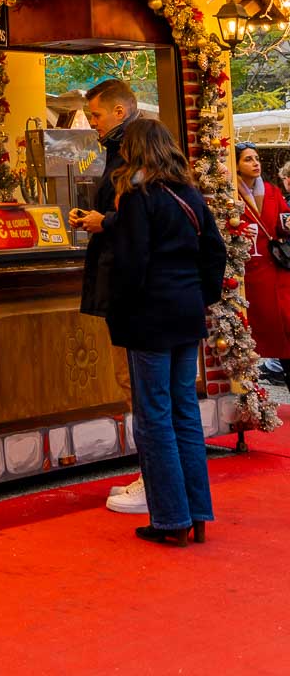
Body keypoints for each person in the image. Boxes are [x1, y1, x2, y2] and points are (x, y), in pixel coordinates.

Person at [103, 117, 226, 545]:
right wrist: (200, 295)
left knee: (153, 416)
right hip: (186, 313)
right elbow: (215, 251)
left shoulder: (139, 196)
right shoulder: (189, 193)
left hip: (149, 317)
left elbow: (132, 263)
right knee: (185, 412)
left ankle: (170, 518)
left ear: (133, 151)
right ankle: (197, 513)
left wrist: (119, 309)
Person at [68, 76, 144, 513]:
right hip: (136, 291)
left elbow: (135, 216)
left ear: (120, 112)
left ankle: (153, 480)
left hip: (131, 291)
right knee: (141, 387)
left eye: (95, 114)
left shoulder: (134, 155)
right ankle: (153, 477)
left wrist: (106, 222)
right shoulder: (124, 152)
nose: (91, 122)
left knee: (137, 385)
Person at [235, 143, 290, 388]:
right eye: (248, 159)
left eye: (256, 158)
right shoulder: (229, 194)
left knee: (286, 330)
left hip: (277, 272)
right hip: (250, 276)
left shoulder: (272, 191)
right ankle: (251, 393)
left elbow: (283, 222)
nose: (256, 163)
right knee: (255, 337)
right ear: (235, 164)